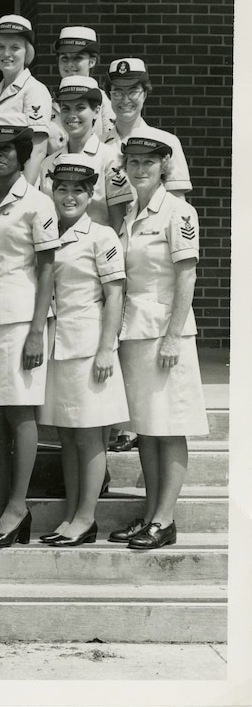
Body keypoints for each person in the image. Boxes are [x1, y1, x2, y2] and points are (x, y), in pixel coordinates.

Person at [110, 132, 208, 550]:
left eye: (148, 162)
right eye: (132, 162)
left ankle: (165, 519)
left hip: (167, 333)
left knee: (170, 427)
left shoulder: (178, 212)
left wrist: (172, 336)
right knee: (147, 429)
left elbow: (187, 275)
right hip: (135, 331)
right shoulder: (132, 212)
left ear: (164, 166)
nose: (140, 168)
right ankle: (150, 514)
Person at [0, 113, 59, 549]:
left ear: (23, 155)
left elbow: (46, 270)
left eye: (7, 149)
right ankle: (0, 503)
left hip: (23, 318)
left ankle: (19, 506)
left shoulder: (37, 203)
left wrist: (37, 330)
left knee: (21, 411)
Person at [36, 155, 130, 546]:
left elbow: (115, 295)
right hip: (58, 345)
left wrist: (108, 349)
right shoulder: (47, 231)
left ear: (91, 193)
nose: (69, 196)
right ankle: (72, 514)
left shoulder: (101, 235)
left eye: (78, 189)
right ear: (52, 191)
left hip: (90, 346)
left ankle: (86, 518)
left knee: (90, 436)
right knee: (68, 436)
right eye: (62, 188)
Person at [37, 76, 132, 232]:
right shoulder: (49, 163)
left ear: (96, 112)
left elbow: (118, 222)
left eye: (80, 108)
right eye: (66, 108)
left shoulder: (110, 160)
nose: (72, 115)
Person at [102, 58, 192, 199]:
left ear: (144, 94)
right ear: (109, 96)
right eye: (118, 92)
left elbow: (178, 205)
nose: (125, 100)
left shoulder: (167, 142)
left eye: (133, 92)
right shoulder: (97, 144)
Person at [0, 15, 54, 182]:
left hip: (22, 183)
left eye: (15, 47)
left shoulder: (34, 90)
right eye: (0, 47)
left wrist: (24, 194)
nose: (6, 53)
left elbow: (38, 150)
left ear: (27, 52)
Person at [52, 26, 114, 137]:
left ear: (92, 62)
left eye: (77, 58)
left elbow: (111, 142)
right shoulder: (50, 102)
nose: (70, 64)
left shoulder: (105, 101)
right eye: (64, 58)